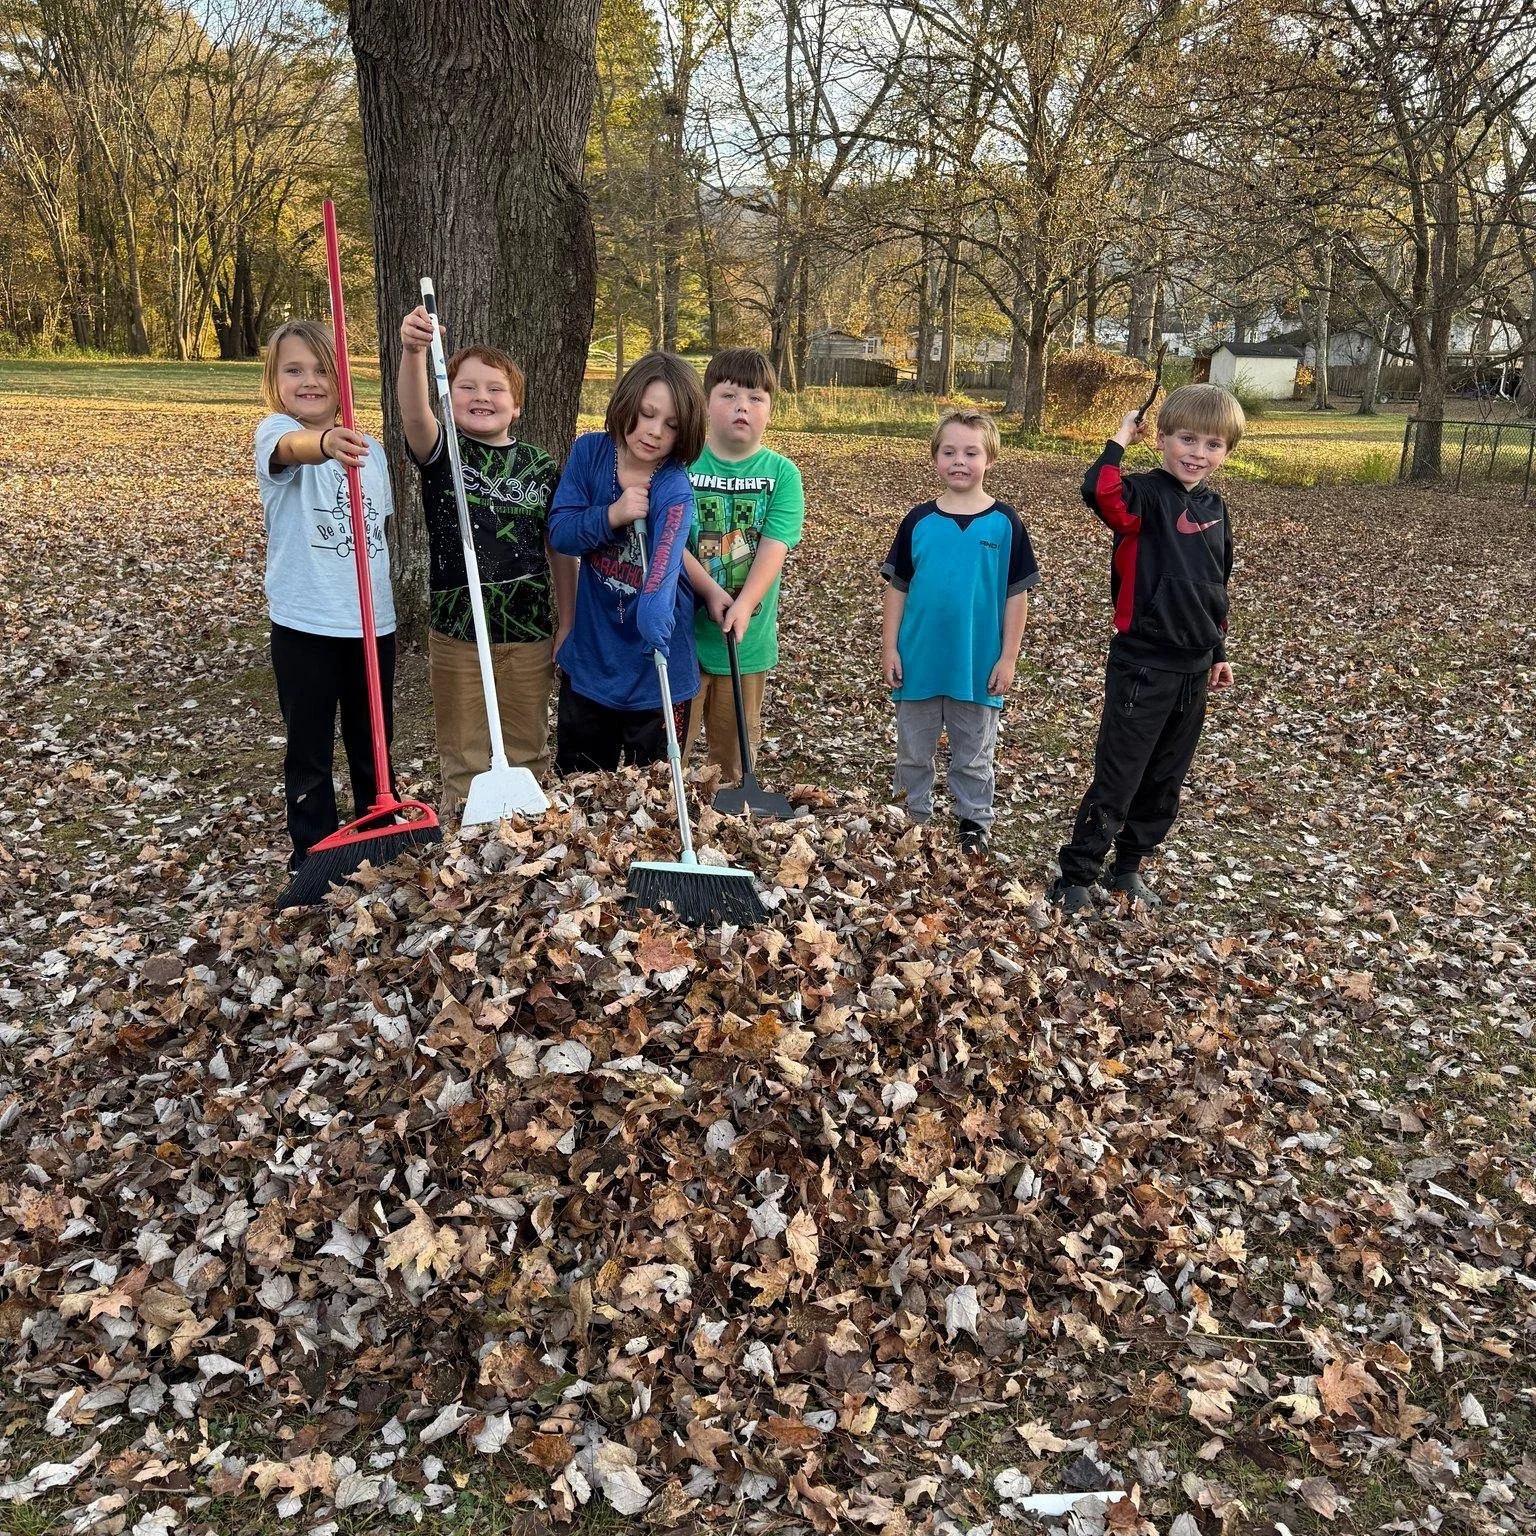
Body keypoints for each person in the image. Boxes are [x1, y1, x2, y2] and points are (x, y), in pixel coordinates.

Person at [1047, 383, 1242, 914]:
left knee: (1164, 778)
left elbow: (1216, 585)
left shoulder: (1215, 507)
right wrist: (1119, 440)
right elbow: (1099, 492)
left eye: (1213, 444)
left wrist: (1217, 651)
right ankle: (1076, 875)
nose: (1197, 453)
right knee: (1121, 774)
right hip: (1143, 664)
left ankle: (1128, 867)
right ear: (1161, 439)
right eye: (1186, 439)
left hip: (1193, 669)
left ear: (1226, 451)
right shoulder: (1144, 495)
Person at [396, 307, 575, 811]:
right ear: (446, 397)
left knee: (527, 746)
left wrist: (567, 620)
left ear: (516, 406)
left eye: (496, 389)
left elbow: (560, 548)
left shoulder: (540, 465)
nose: (481, 396)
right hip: (458, 631)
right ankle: (464, 830)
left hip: (527, 631)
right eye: (467, 387)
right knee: (464, 750)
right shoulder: (442, 451)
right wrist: (413, 351)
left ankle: (526, 833)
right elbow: (413, 414)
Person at [253, 319, 397, 870]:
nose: (309, 381)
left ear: (343, 382)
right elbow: (292, 449)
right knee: (309, 744)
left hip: (372, 624)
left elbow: (379, 527)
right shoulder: (276, 433)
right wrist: (324, 443)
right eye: (294, 370)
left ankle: (377, 836)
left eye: (322, 370)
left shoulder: (373, 451)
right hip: (305, 624)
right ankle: (312, 850)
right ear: (275, 380)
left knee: (373, 742)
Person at [880, 408, 1039, 856]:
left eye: (971, 453)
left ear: (990, 459)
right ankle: (912, 814)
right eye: (949, 452)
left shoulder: (1005, 523)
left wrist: (1008, 657)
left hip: (977, 662)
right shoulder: (918, 521)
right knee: (914, 749)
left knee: (973, 752)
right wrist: (890, 647)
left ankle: (973, 820)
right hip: (919, 659)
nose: (959, 461)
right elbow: (897, 588)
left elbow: (1016, 596)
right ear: (935, 458)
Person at [547, 352, 705, 773]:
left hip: (657, 671)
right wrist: (613, 514)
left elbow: (664, 572)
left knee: (651, 796)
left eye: (671, 425)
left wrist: (654, 615)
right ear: (627, 402)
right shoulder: (590, 452)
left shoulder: (674, 488)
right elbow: (561, 533)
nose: (655, 431)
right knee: (578, 785)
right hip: (592, 662)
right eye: (647, 414)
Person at [680, 348, 805, 782]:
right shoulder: (681, 465)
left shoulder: (782, 474)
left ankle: (730, 815)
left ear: (770, 409)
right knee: (668, 757)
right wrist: (710, 590)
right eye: (729, 395)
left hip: (747, 643)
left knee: (735, 761)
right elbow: (669, 541)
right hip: (683, 639)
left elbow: (774, 545)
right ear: (706, 401)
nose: (742, 407)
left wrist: (745, 603)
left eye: (755, 398)